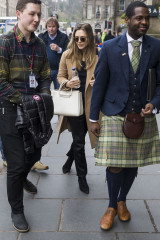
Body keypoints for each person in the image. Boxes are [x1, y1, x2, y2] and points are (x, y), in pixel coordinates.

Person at [90, 1, 160, 231]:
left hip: (142, 115)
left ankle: (122, 201)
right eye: (139, 18)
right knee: (115, 165)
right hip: (114, 112)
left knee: (132, 164)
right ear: (127, 20)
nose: (144, 22)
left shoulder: (156, 46)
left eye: (146, 18)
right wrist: (93, 118)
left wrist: (154, 103)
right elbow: (99, 84)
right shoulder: (110, 47)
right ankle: (111, 206)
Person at [0, 0, 51, 233]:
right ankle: (17, 209)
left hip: (35, 110)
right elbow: (0, 82)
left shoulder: (40, 45)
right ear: (19, 14)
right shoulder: (5, 43)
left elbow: (45, 76)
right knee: (16, 163)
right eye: (32, 14)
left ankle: (21, 177)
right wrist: (25, 101)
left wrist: (42, 96)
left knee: (36, 152)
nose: (37, 19)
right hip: (10, 109)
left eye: (39, 14)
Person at [57, 23, 98, 194]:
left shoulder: (96, 56)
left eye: (83, 38)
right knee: (80, 142)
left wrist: (97, 82)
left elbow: (105, 76)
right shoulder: (67, 55)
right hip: (74, 104)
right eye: (76, 38)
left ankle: (68, 161)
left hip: (90, 105)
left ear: (89, 39)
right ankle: (82, 177)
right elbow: (60, 76)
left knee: (78, 139)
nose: (79, 41)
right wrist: (67, 83)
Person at [38, 17, 69, 90]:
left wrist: (59, 49)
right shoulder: (41, 37)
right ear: (46, 27)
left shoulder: (64, 37)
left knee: (59, 92)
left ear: (57, 27)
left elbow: (69, 52)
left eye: (53, 27)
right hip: (45, 70)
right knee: (44, 92)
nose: (51, 29)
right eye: (49, 27)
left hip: (59, 70)